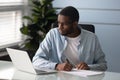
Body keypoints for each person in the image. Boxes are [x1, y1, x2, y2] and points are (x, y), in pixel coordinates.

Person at [32, 6, 107, 71]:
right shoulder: (53, 34)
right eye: (58, 23)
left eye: (63, 24)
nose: (59, 27)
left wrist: (89, 67)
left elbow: (103, 65)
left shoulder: (92, 38)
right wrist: (56, 66)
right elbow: (36, 60)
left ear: (75, 24)